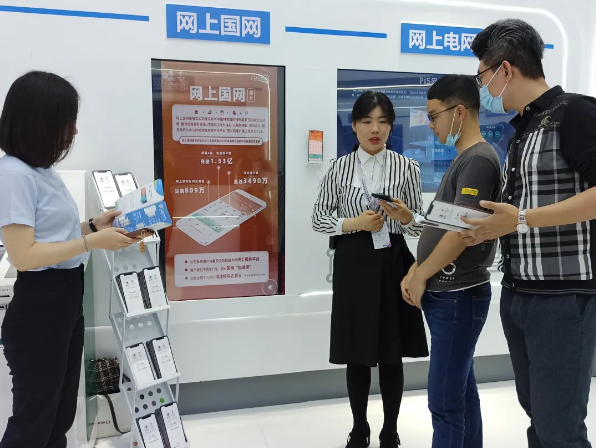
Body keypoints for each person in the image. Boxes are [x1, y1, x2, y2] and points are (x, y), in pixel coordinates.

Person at [458, 19, 596, 448]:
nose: (482, 87)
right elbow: (527, 209)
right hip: (520, 293)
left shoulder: (575, 113)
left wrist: (519, 220)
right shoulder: (523, 131)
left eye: (482, 75)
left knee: (559, 428)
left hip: (563, 297)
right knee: (538, 416)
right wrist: (492, 228)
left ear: (505, 69)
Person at [0, 71, 137, 448]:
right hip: (40, 307)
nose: (74, 131)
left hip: (65, 300)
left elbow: (50, 235)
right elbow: (24, 255)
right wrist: (92, 242)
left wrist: (93, 225)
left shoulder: (41, 171)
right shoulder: (14, 174)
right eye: (67, 121)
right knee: (33, 422)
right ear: (41, 121)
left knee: (59, 415)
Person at [312, 90, 429, 448]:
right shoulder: (338, 167)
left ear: (391, 126)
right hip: (353, 262)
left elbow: (418, 227)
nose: (374, 129)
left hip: (393, 260)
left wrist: (407, 217)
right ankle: (359, 427)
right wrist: (354, 224)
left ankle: (390, 429)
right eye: (366, 121)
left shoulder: (407, 167)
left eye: (382, 121)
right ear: (354, 125)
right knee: (357, 352)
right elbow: (318, 219)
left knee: (392, 353)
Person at [401, 75, 501, 448]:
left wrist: (421, 274)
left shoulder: (478, 160)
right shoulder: (466, 158)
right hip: (450, 295)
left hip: (458, 297)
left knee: (444, 401)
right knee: (460, 391)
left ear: (459, 112)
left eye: (433, 116)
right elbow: (443, 224)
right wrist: (417, 269)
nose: (430, 124)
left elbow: (461, 233)